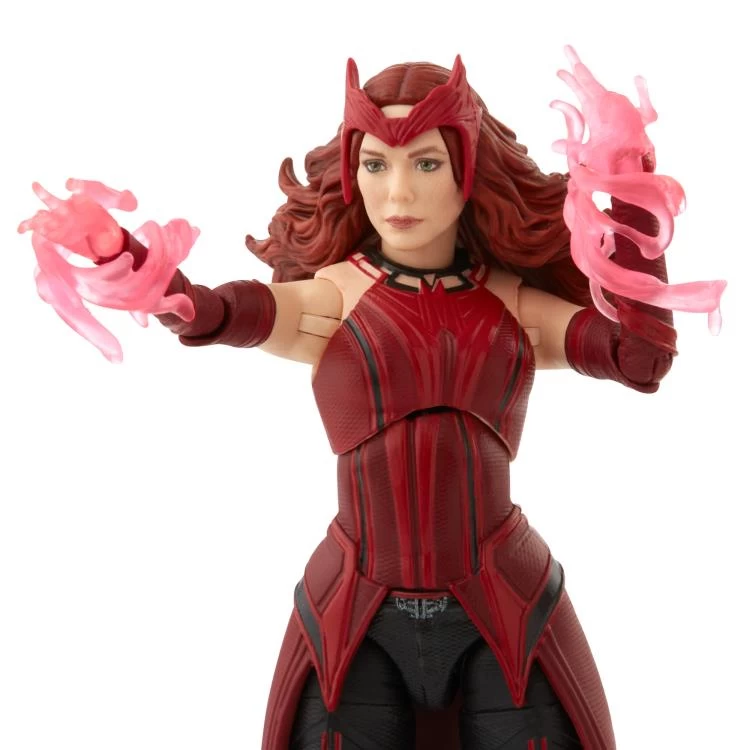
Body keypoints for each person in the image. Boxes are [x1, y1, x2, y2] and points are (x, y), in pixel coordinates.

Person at [19, 53, 723, 750]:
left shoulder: (512, 306)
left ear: (468, 171)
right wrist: (117, 252)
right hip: (358, 610)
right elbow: (207, 312)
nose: (399, 194)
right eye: (377, 164)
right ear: (354, 174)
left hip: (504, 602)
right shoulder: (334, 299)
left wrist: (629, 187)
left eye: (426, 163)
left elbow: (641, 357)